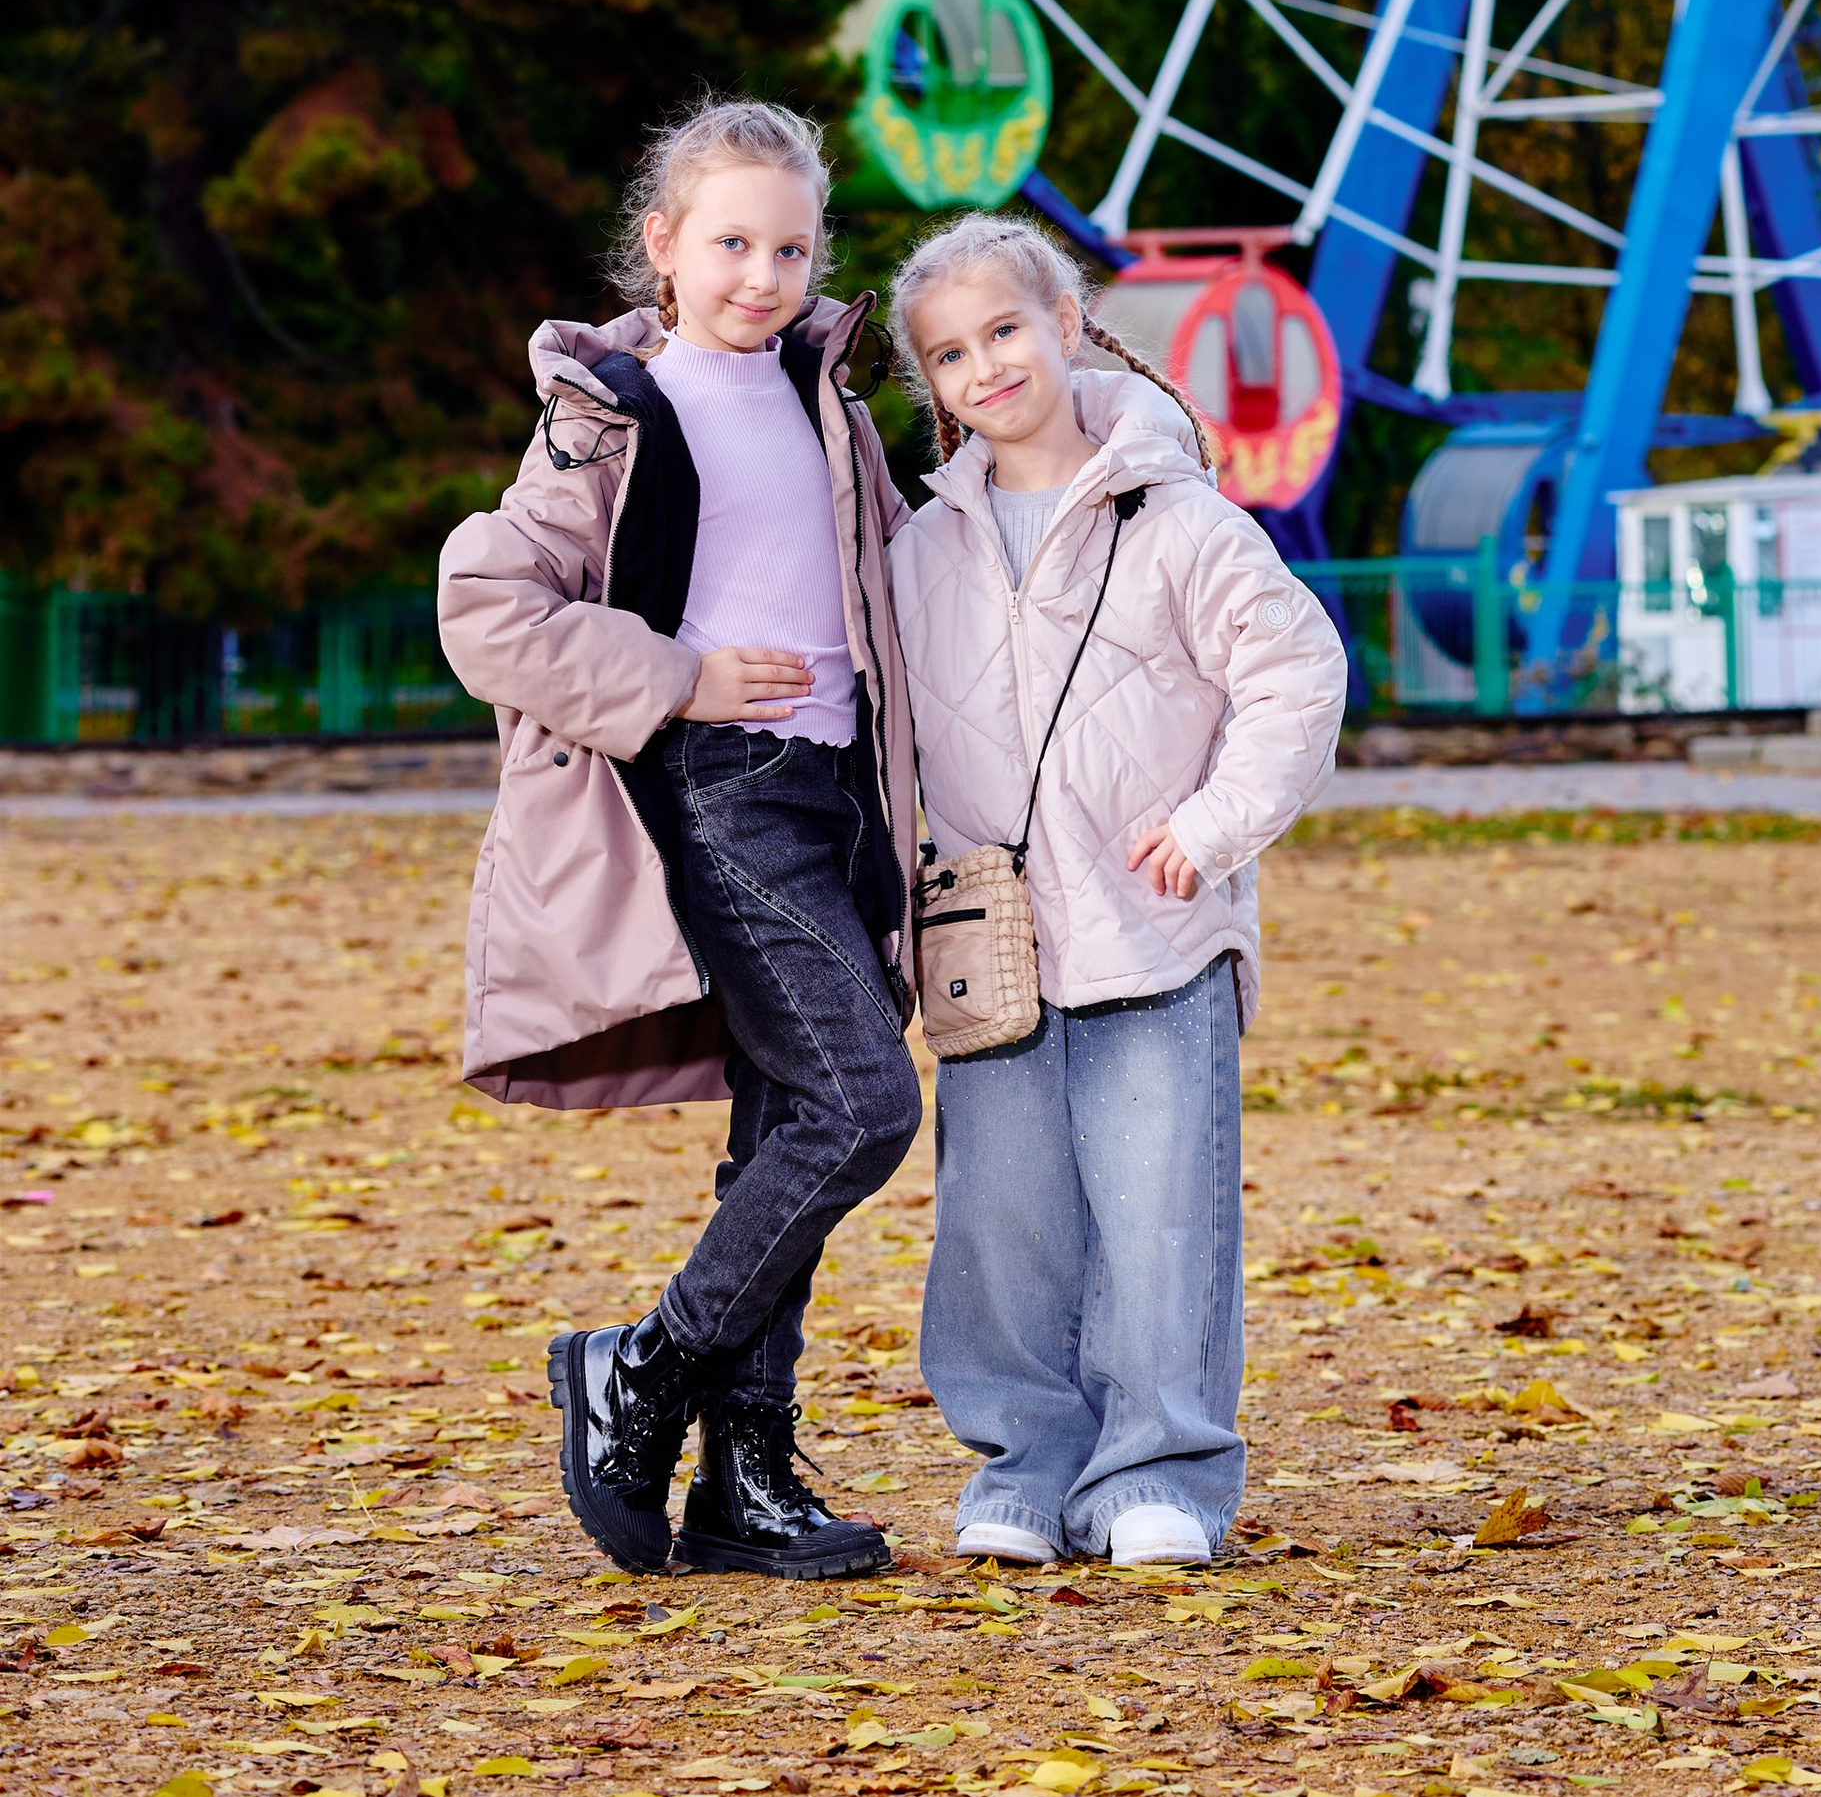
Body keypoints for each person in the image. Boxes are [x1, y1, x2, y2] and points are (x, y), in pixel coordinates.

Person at [437, 95, 920, 1582]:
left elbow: (908, 586)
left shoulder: (832, 412)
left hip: (842, 799)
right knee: (863, 1105)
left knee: (783, 1125)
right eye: (729, 244)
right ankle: (640, 1366)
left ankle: (745, 1480)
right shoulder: (612, 415)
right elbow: (485, 607)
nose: (762, 276)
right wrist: (677, 677)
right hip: (722, 788)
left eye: (791, 250)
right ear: (661, 243)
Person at [887, 210, 1346, 1569]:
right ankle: (1024, 1471)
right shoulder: (919, 550)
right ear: (932, 382)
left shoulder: (1183, 518)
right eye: (950, 354)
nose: (985, 366)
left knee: (1159, 1216)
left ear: (1069, 322)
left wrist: (1214, 826)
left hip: (1154, 927)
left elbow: (1298, 675)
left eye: (1005, 330)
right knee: (1003, 1223)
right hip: (993, 946)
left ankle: (1160, 1473)